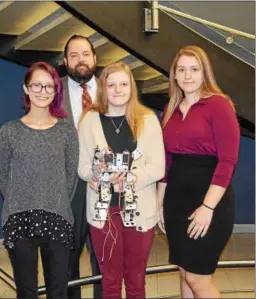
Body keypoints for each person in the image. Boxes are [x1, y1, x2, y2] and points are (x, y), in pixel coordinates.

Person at [157, 45, 240, 298]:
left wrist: (207, 208)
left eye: (194, 69)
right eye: (181, 70)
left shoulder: (219, 105)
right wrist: (159, 203)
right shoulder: (170, 110)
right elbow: (167, 162)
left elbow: (227, 161)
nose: (187, 75)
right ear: (174, 75)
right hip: (176, 203)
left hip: (209, 201)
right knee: (184, 271)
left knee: (197, 277)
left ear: (205, 72)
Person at [78, 61, 165, 299]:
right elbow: (82, 167)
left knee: (136, 281)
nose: (117, 90)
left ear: (132, 87)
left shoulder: (147, 119)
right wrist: (96, 174)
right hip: (103, 211)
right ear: (103, 88)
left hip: (139, 210)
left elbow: (158, 167)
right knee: (111, 281)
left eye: (123, 84)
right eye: (111, 84)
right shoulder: (89, 120)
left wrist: (131, 178)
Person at [0, 61, 79, 299]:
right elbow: (3, 178)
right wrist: (22, 200)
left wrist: (52, 200)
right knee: (26, 292)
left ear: (55, 91)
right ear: (26, 89)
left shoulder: (66, 132)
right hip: (19, 219)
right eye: (37, 85)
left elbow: (70, 178)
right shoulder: (9, 131)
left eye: (49, 86)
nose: (43, 91)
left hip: (58, 218)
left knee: (58, 292)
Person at [62, 34, 101, 299]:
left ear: (95, 58)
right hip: (69, 187)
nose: (80, 61)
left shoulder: (114, 88)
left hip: (106, 185)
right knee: (67, 255)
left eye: (85, 54)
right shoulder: (52, 93)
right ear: (65, 61)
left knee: (104, 256)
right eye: (74, 55)